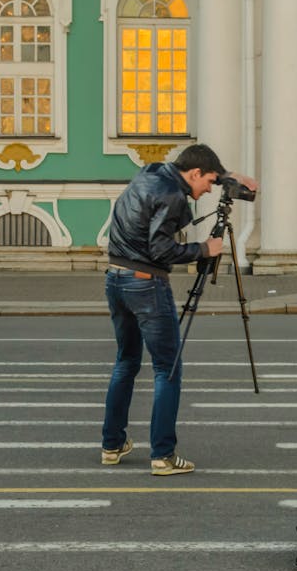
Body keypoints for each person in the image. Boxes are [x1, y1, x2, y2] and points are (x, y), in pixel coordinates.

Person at [101, 143, 258, 476]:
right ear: (194, 174)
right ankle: (163, 455)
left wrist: (228, 174)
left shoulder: (151, 172)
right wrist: (204, 248)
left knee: (126, 362)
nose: (207, 192)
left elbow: (194, 165)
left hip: (116, 279)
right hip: (146, 283)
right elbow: (160, 249)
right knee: (167, 369)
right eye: (209, 183)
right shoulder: (173, 196)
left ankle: (111, 445)